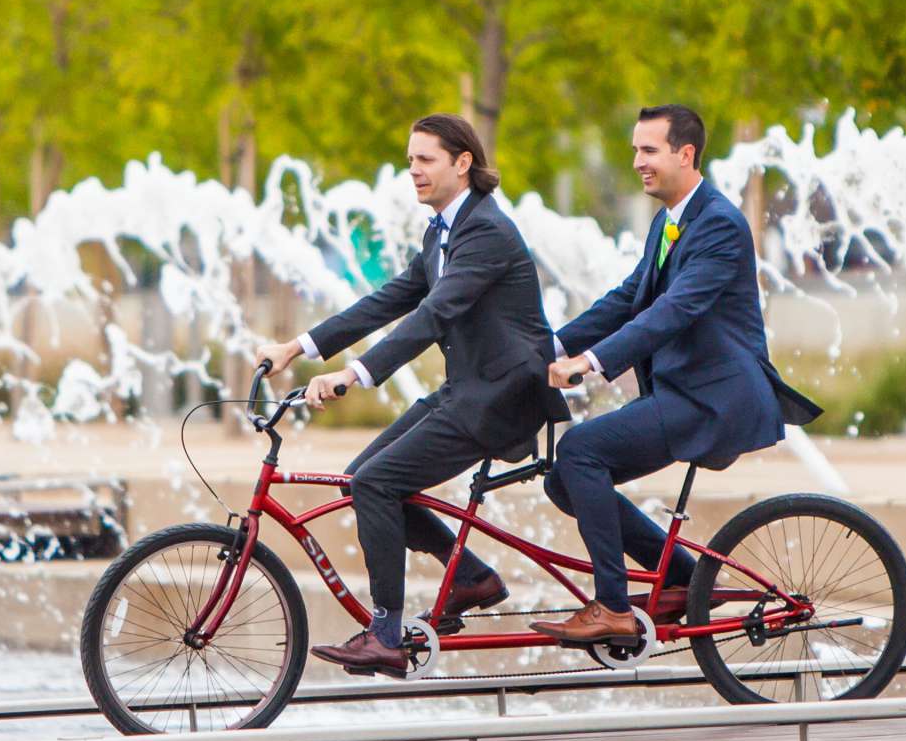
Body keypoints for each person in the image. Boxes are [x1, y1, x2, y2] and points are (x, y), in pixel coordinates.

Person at [256, 114, 566, 678]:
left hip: (502, 398)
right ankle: (470, 578)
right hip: (468, 390)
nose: (413, 171)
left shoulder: (486, 231)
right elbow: (388, 300)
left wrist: (356, 375)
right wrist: (296, 347)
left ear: (462, 162)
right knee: (364, 477)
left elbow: (434, 315)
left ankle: (386, 633)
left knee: (379, 481)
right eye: (409, 161)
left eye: (425, 159)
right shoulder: (441, 232)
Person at [529, 104, 823, 647]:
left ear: (685, 154)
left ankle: (614, 608)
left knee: (580, 453)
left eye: (649, 150)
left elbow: (673, 310)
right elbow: (628, 300)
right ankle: (688, 580)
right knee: (562, 476)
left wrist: (590, 365)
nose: (637, 161)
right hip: (686, 392)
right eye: (635, 150)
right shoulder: (671, 220)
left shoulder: (718, 223)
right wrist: (548, 347)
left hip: (713, 398)